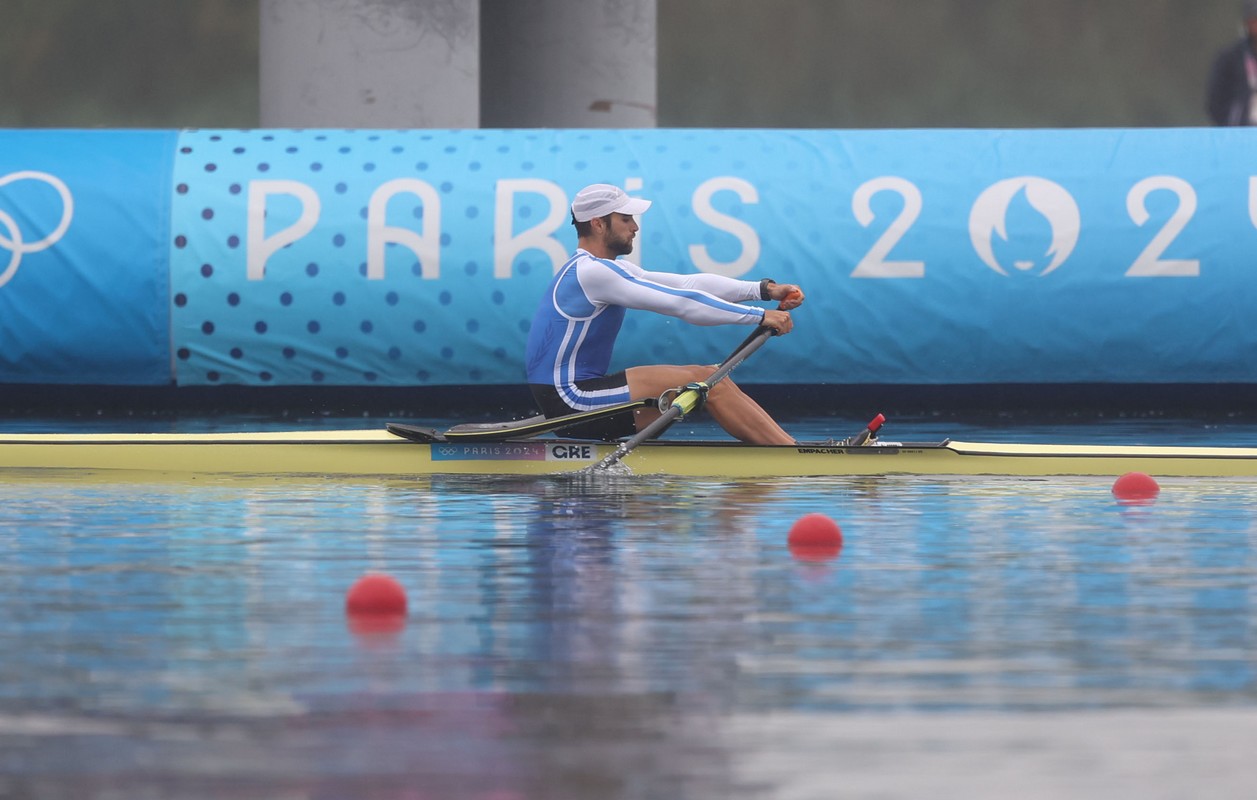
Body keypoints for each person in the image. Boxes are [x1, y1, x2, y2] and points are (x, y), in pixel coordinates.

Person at [525, 183, 804, 445]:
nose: (635, 227)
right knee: (708, 382)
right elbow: (682, 303)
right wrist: (760, 316)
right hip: (571, 400)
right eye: (626, 219)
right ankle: (797, 456)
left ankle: (791, 449)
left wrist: (764, 290)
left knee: (712, 376)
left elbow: (687, 284)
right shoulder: (593, 272)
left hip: (575, 397)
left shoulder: (601, 269)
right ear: (598, 223)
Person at [1206, 0, 1257, 125]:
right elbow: (1214, 102)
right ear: (1247, 23)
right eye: (1254, 20)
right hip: (1240, 133)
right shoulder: (1230, 58)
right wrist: (1231, 126)